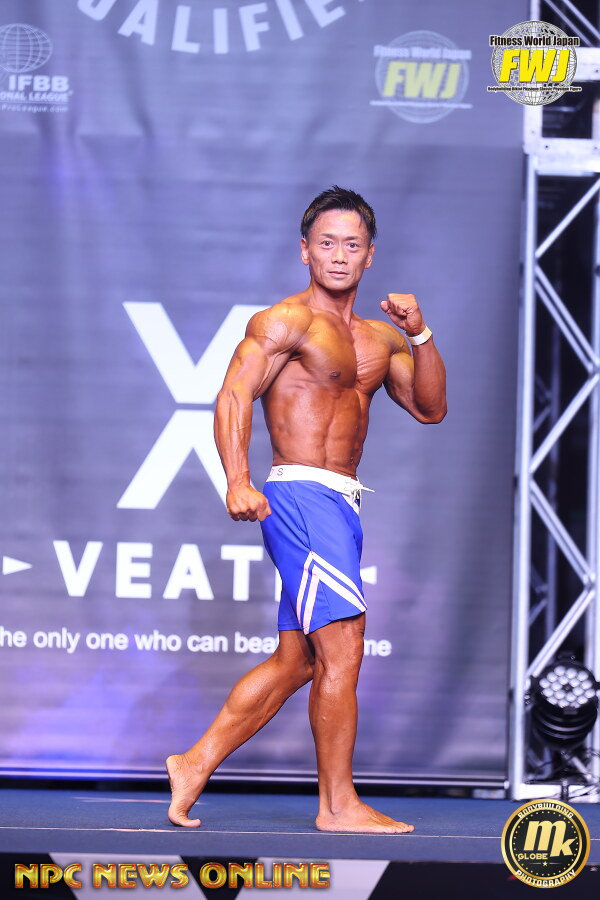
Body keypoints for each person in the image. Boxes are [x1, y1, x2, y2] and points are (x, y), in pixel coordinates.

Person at [166, 186, 446, 834]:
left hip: (341, 502)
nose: (338, 255)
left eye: (352, 244)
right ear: (305, 251)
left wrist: (420, 333)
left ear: (370, 255)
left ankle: (193, 763)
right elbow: (234, 395)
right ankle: (337, 805)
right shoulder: (285, 321)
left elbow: (430, 408)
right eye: (326, 243)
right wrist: (238, 479)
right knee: (344, 648)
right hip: (299, 494)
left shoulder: (380, 338)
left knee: (301, 661)